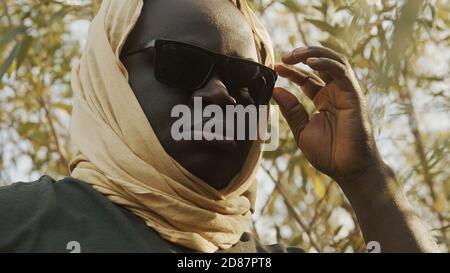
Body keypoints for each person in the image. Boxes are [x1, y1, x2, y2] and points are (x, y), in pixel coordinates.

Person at [0, 0, 439, 253]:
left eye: (249, 80)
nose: (220, 97)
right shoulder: (21, 224)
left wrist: (365, 177)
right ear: (111, 78)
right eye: (183, 62)